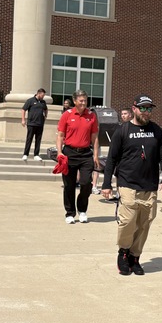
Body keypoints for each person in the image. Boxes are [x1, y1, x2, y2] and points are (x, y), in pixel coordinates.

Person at [101, 94, 162, 276]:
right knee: (128, 221)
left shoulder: (157, 131)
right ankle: (123, 252)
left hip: (149, 185)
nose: (146, 112)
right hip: (127, 183)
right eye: (143, 108)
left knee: (145, 222)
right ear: (134, 109)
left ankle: (135, 256)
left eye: (149, 108)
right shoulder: (123, 130)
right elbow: (111, 159)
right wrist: (107, 184)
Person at [56, 89, 100, 224]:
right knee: (69, 185)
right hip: (69, 152)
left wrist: (96, 156)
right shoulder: (67, 115)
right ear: (74, 101)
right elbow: (60, 135)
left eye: (85, 100)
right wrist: (59, 152)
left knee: (86, 183)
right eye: (81, 101)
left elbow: (95, 137)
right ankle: (70, 213)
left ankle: (82, 210)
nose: (83, 103)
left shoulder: (91, 116)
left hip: (86, 153)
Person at [21, 87, 48, 161]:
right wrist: (23, 120)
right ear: (38, 94)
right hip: (31, 123)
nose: (43, 97)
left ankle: (36, 154)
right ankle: (25, 154)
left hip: (40, 124)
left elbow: (46, 109)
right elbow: (23, 109)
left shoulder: (43, 102)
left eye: (44, 96)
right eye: (42, 95)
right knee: (29, 139)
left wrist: (45, 116)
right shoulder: (30, 101)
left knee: (38, 140)